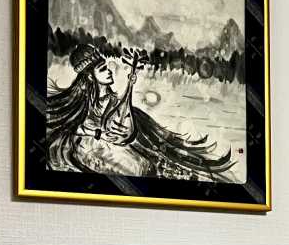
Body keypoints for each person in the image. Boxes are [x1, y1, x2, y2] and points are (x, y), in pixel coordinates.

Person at [44, 44, 236, 181]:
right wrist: (98, 134)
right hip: (92, 147)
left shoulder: (113, 100)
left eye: (107, 67)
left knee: (152, 161)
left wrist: (130, 84)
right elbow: (72, 126)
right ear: (89, 76)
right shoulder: (84, 101)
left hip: (116, 145)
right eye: (102, 69)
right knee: (139, 167)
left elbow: (124, 125)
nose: (109, 72)